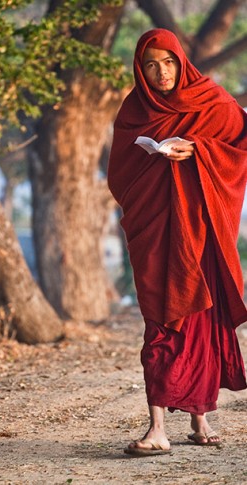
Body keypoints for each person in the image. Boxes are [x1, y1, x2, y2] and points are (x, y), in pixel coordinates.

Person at [107, 28, 247, 456]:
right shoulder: (134, 111)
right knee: (161, 320)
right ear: (140, 68)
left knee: (199, 315)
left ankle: (200, 419)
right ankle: (157, 429)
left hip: (200, 229)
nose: (160, 72)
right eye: (150, 64)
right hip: (155, 230)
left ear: (181, 61)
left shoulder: (211, 99)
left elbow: (240, 145)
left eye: (168, 62)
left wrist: (198, 150)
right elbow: (120, 174)